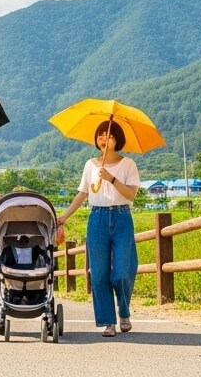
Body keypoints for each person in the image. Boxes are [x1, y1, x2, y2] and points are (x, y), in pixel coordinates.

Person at [56, 119, 141, 337]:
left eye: (109, 135)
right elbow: (83, 193)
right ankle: (108, 322)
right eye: (101, 134)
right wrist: (63, 217)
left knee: (123, 271)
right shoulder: (90, 165)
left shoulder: (128, 164)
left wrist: (111, 178)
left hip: (122, 217)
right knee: (99, 273)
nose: (104, 138)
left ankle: (123, 312)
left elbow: (131, 194)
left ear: (117, 139)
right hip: (97, 218)